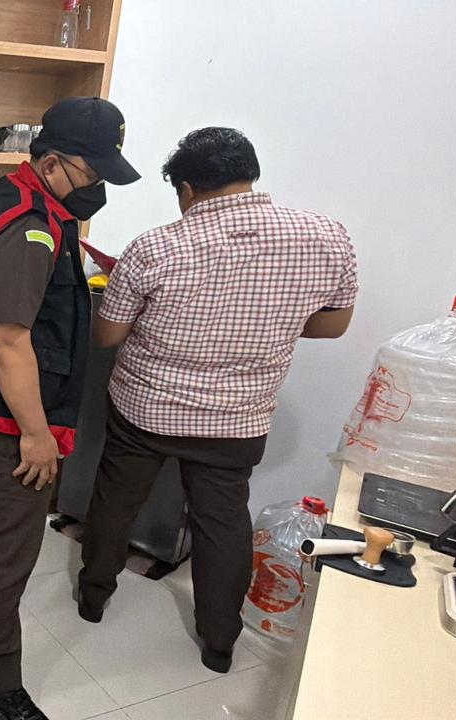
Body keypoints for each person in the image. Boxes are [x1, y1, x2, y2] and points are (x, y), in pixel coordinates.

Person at [77, 127, 358, 673]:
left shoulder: (154, 247)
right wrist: (266, 323)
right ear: (249, 175)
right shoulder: (326, 237)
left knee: (116, 501)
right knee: (222, 522)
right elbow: (333, 325)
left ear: (185, 189)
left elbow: (107, 336)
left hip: (145, 411)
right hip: (238, 419)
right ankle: (220, 642)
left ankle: (93, 598)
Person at [0, 96, 140, 720]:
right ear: (50, 163)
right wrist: (37, 434)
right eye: (90, 173)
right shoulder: (29, 227)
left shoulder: (22, 196)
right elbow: (5, 339)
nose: (97, 187)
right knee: (10, 545)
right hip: (5, 410)